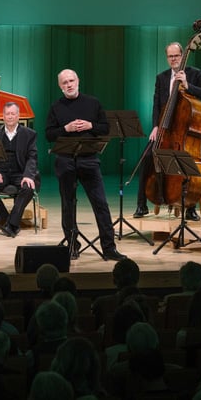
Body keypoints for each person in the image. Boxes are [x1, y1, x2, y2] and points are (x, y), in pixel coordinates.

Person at [46, 69, 125, 261]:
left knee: (101, 204)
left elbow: (105, 128)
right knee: (68, 205)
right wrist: (65, 129)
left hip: (89, 160)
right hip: (65, 161)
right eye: (64, 83)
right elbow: (49, 134)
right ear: (60, 86)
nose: (69, 85)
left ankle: (109, 247)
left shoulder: (93, 102)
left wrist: (90, 126)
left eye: (71, 81)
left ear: (78, 81)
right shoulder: (56, 107)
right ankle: (72, 244)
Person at [136, 41, 201, 220]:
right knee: (147, 157)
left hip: (185, 133)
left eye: (176, 55)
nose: (173, 59)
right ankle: (141, 205)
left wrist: (186, 84)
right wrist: (155, 125)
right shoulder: (161, 77)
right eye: (170, 56)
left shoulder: (194, 74)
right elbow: (157, 104)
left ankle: (190, 207)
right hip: (165, 130)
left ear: (182, 55)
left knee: (186, 161)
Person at [0, 102, 39, 238]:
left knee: (28, 188)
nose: (10, 117)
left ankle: (11, 224)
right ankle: (8, 221)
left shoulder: (29, 134)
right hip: (1, 173)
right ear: (3, 116)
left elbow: (32, 157)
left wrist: (28, 175)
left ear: (18, 116)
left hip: (21, 172)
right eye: (7, 114)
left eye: (13, 114)